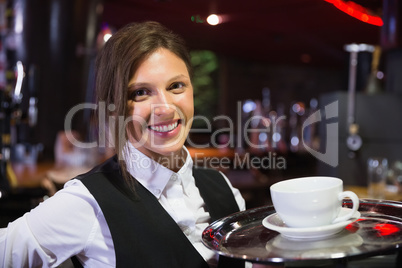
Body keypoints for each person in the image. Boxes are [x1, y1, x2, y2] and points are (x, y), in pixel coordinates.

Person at [0, 21, 248, 267]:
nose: (165, 108)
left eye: (176, 86)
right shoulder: (88, 201)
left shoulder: (224, 188)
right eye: (140, 92)